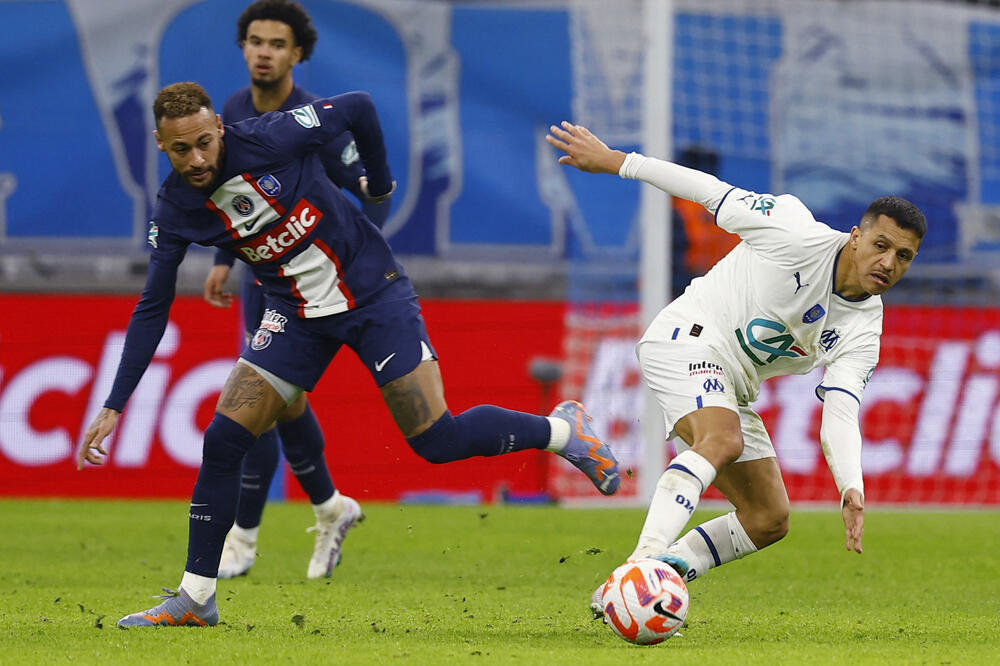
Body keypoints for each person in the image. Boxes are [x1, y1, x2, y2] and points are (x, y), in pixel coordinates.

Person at [76, 83, 620, 628]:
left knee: (436, 439)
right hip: (293, 315)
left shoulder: (272, 136)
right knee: (223, 440)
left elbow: (358, 105)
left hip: (372, 295)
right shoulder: (174, 208)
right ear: (159, 144)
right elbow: (153, 306)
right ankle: (196, 598)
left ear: (218, 126)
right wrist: (115, 404)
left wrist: (379, 188)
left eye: (202, 143)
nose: (195, 159)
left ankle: (563, 431)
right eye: (180, 150)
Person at [543, 121, 925, 617]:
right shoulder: (793, 231)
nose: (889, 262)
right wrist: (617, 160)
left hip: (733, 383)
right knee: (723, 441)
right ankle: (638, 569)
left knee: (768, 518)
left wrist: (851, 483)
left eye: (904, 257)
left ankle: (656, 576)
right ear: (855, 237)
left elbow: (841, 411)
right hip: (688, 335)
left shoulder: (864, 330)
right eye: (881, 245)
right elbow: (708, 190)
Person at [201, 0, 392, 581]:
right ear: (243, 47)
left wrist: (351, 261)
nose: (264, 51)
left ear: (298, 54)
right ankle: (328, 509)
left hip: (317, 287)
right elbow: (235, 195)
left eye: (277, 44)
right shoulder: (233, 109)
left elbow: (368, 195)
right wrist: (220, 259)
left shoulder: (317, 119)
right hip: (265, 282)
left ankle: (245, 538)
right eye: (255, 41)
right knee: (278, 403)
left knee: (262, 404)